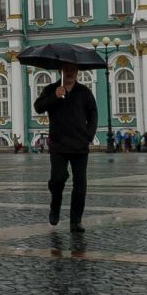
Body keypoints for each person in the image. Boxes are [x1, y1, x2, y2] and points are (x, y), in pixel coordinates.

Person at [35, 64, 97, 233]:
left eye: (72, 69)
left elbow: (93, 113)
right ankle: (55, 207)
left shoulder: (84, 92)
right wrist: (55, 97)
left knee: (80, 185)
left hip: (79, 144)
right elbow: (38, 107)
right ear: (61, 71)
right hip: (58, 144)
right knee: (58, 180)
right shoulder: (51, 89)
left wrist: (89, 135)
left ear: (77, 72)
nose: (69, 72)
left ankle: (76, 221)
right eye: (66, 69)